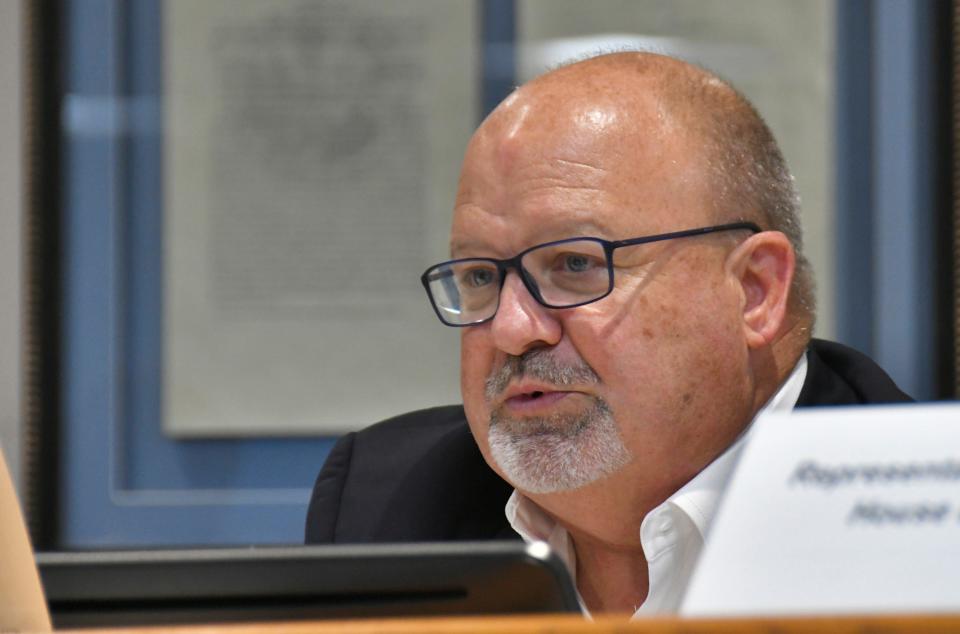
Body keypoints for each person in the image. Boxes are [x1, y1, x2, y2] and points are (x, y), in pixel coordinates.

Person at [305, 52, 910, 615]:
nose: (513, 330)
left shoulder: (922, 512)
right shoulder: (389, 506)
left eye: (574, 265)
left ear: (754, 292)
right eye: (482, 276)